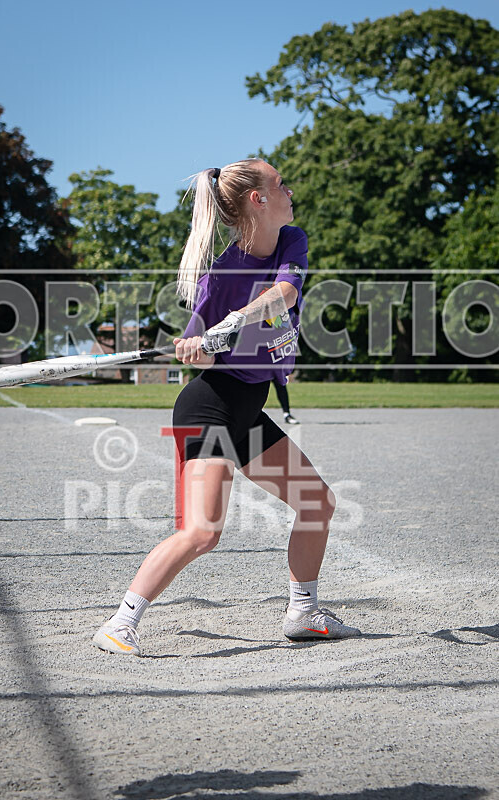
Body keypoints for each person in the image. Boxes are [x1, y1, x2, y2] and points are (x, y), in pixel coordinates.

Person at [92, 158, 360, 656]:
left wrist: (235, 322)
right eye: (280, 183)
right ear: (258, 198)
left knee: (316, 501)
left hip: (246, 411)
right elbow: (197, 341)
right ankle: (119, 623)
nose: (289, 189)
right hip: (209, 406)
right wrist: (193, 344)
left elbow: (284, 293)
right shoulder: (221, 273)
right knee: (202, 532)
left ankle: (303, 611)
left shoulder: (290, 242)